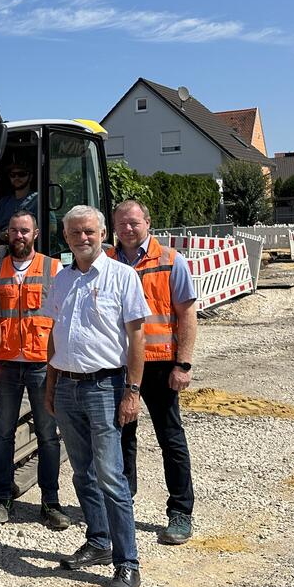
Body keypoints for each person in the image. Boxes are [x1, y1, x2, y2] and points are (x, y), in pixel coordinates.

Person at [45, 205, 149, 587]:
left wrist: (133, 391)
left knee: (111, 477)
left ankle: (128, 564)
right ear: (66, 237)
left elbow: (136, 338)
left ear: (103, 234)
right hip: (68, 388)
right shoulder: (62, 279)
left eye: (89, 231)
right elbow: (55, 336)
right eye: (74, 233)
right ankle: (99, 539)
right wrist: (51, 385)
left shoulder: (122, 277)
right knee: (83, 474)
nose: (82, 238)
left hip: (105, 387)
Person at [109, 200, 198, 546]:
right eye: (121, 225)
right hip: (121, 363)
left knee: (170, 438)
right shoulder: (108, 262)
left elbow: (187, 314)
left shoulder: (171, 261)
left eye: (133, 223)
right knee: (123, 436)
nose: (128, 230)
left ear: (147, 222)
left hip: (161, 363)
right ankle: (124, 500)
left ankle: (180, 511)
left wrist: (183, 364)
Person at [0, 211, 67, 530]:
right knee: (3, 434)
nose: (19, 236)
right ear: (7, 234)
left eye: (25, 231)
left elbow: (62, 318)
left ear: (36, 234)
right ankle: (2, 499)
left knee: (47, 435)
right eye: (14, 230)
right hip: (4, 365)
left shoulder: (54, 268)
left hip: (41, 364)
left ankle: (51, 502)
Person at [0, 157, 38, 242]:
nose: (17, 178)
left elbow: (52, 228)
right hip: (4, 245)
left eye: (21, 174)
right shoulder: (3, 202)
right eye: (13, 175)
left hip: (27, 244)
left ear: (30, 177)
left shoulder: (38, 200)